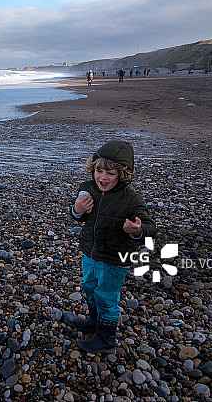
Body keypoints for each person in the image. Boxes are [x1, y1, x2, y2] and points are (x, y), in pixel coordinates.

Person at [62, 140, 157, 353]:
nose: (103, 178)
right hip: (90, 252)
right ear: (93, 169)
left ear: (122, 174)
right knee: (89, 288)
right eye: (99, 171)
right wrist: (76, 210)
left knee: (106, 296)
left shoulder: (131, 199)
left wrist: (137, 230)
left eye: (111, 173)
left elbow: (150, 227)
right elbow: (79, 216)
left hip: (115, 258)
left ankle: (105, 338)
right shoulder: (87, 189)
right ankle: (94, 322)